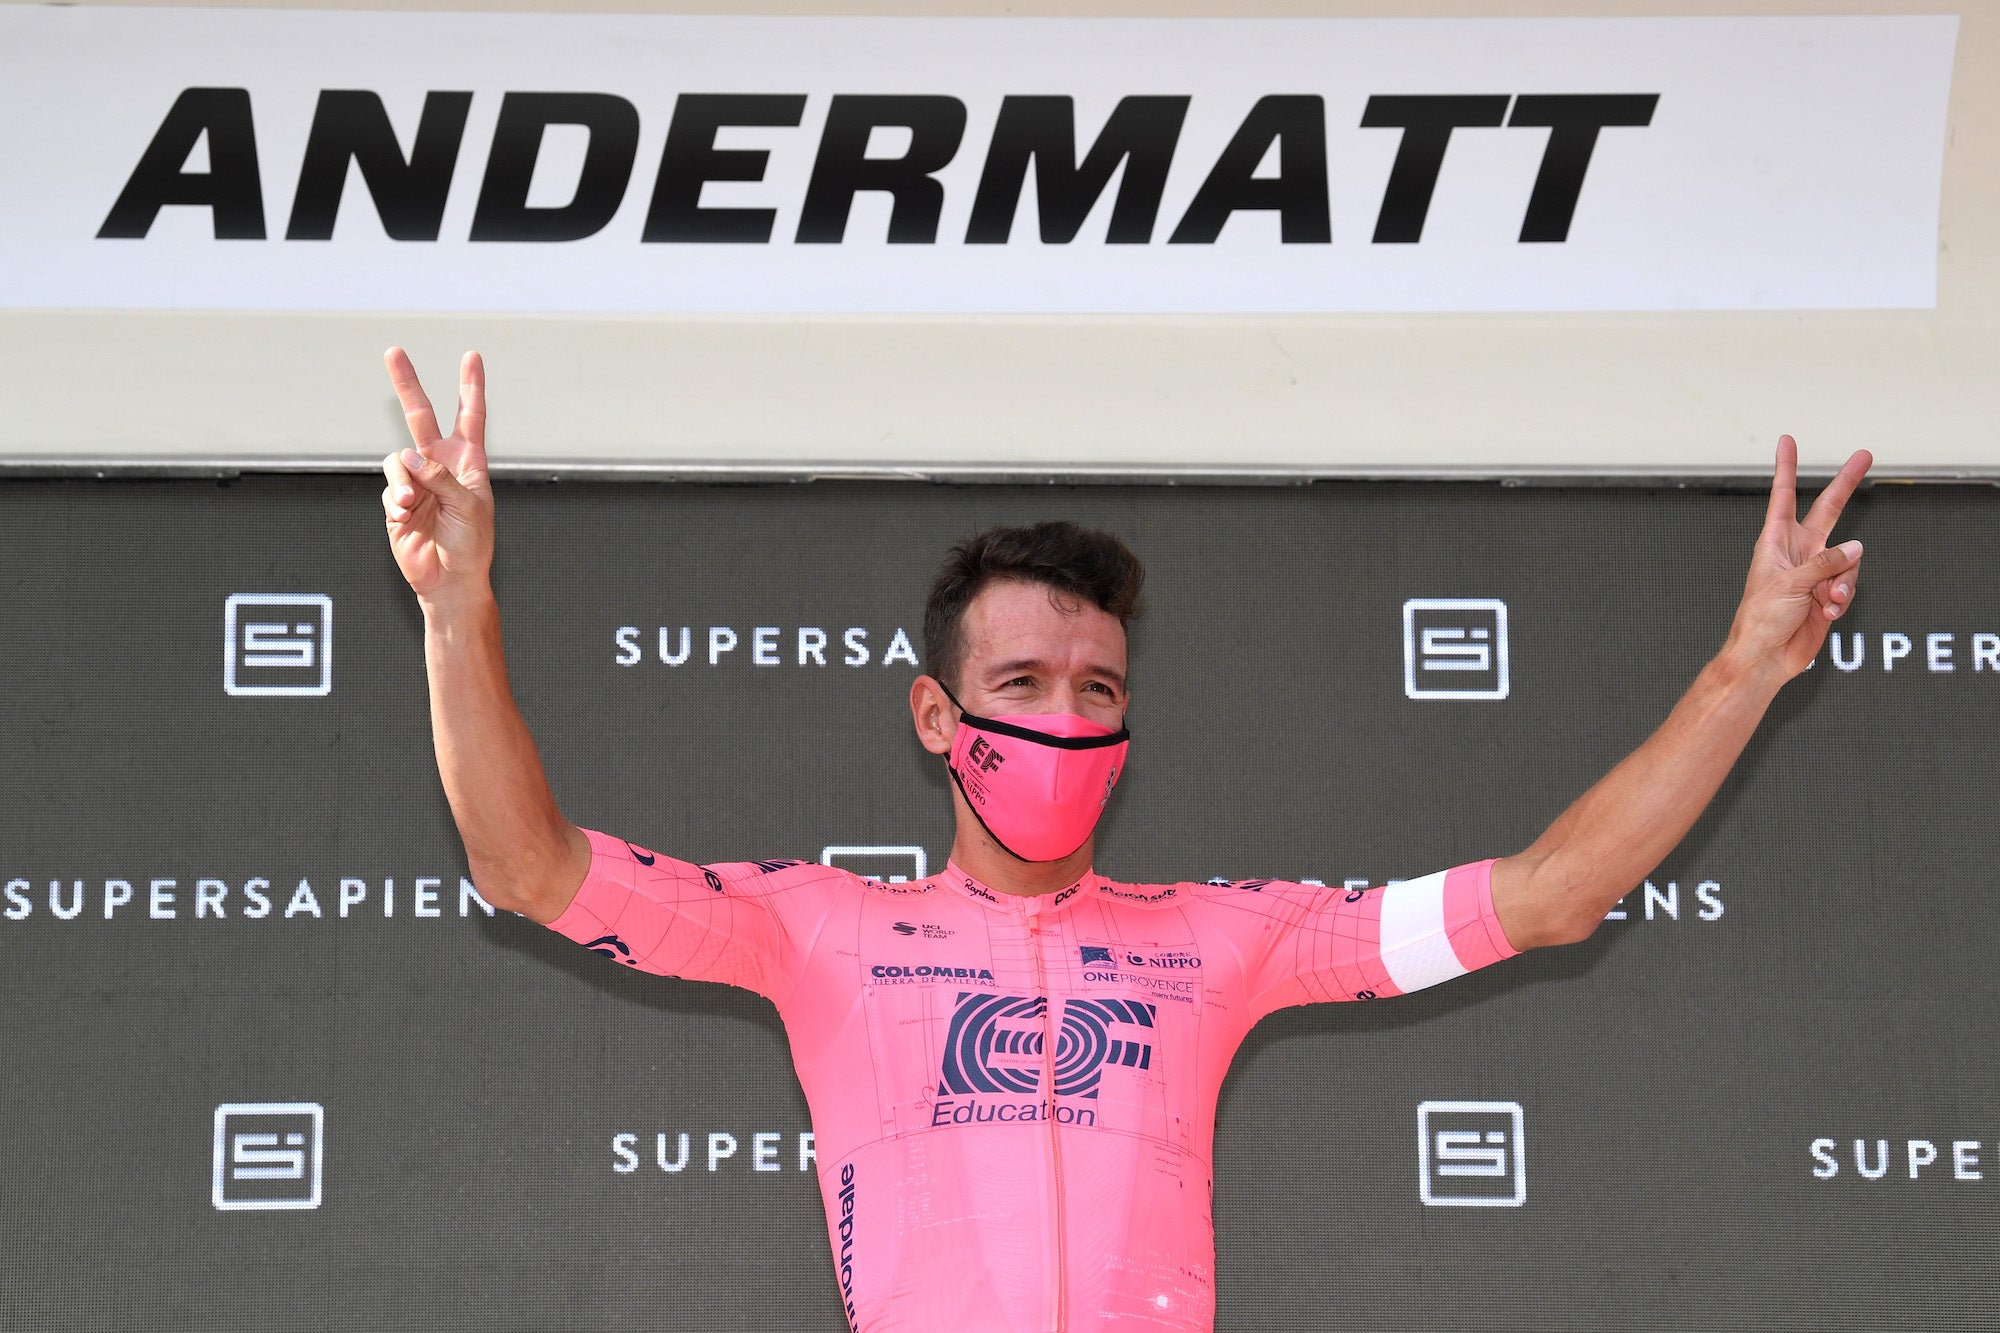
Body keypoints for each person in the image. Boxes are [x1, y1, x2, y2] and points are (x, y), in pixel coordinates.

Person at [380, 347, 1871, 1333]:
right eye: (1019, 684)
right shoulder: (817, 928)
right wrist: (459, 607)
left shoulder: (1226, 939)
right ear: (931, 715)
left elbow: (1546, 899)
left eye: (1096, 687)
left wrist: (1747, 664)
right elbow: (530, 869)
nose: (1062, 716)